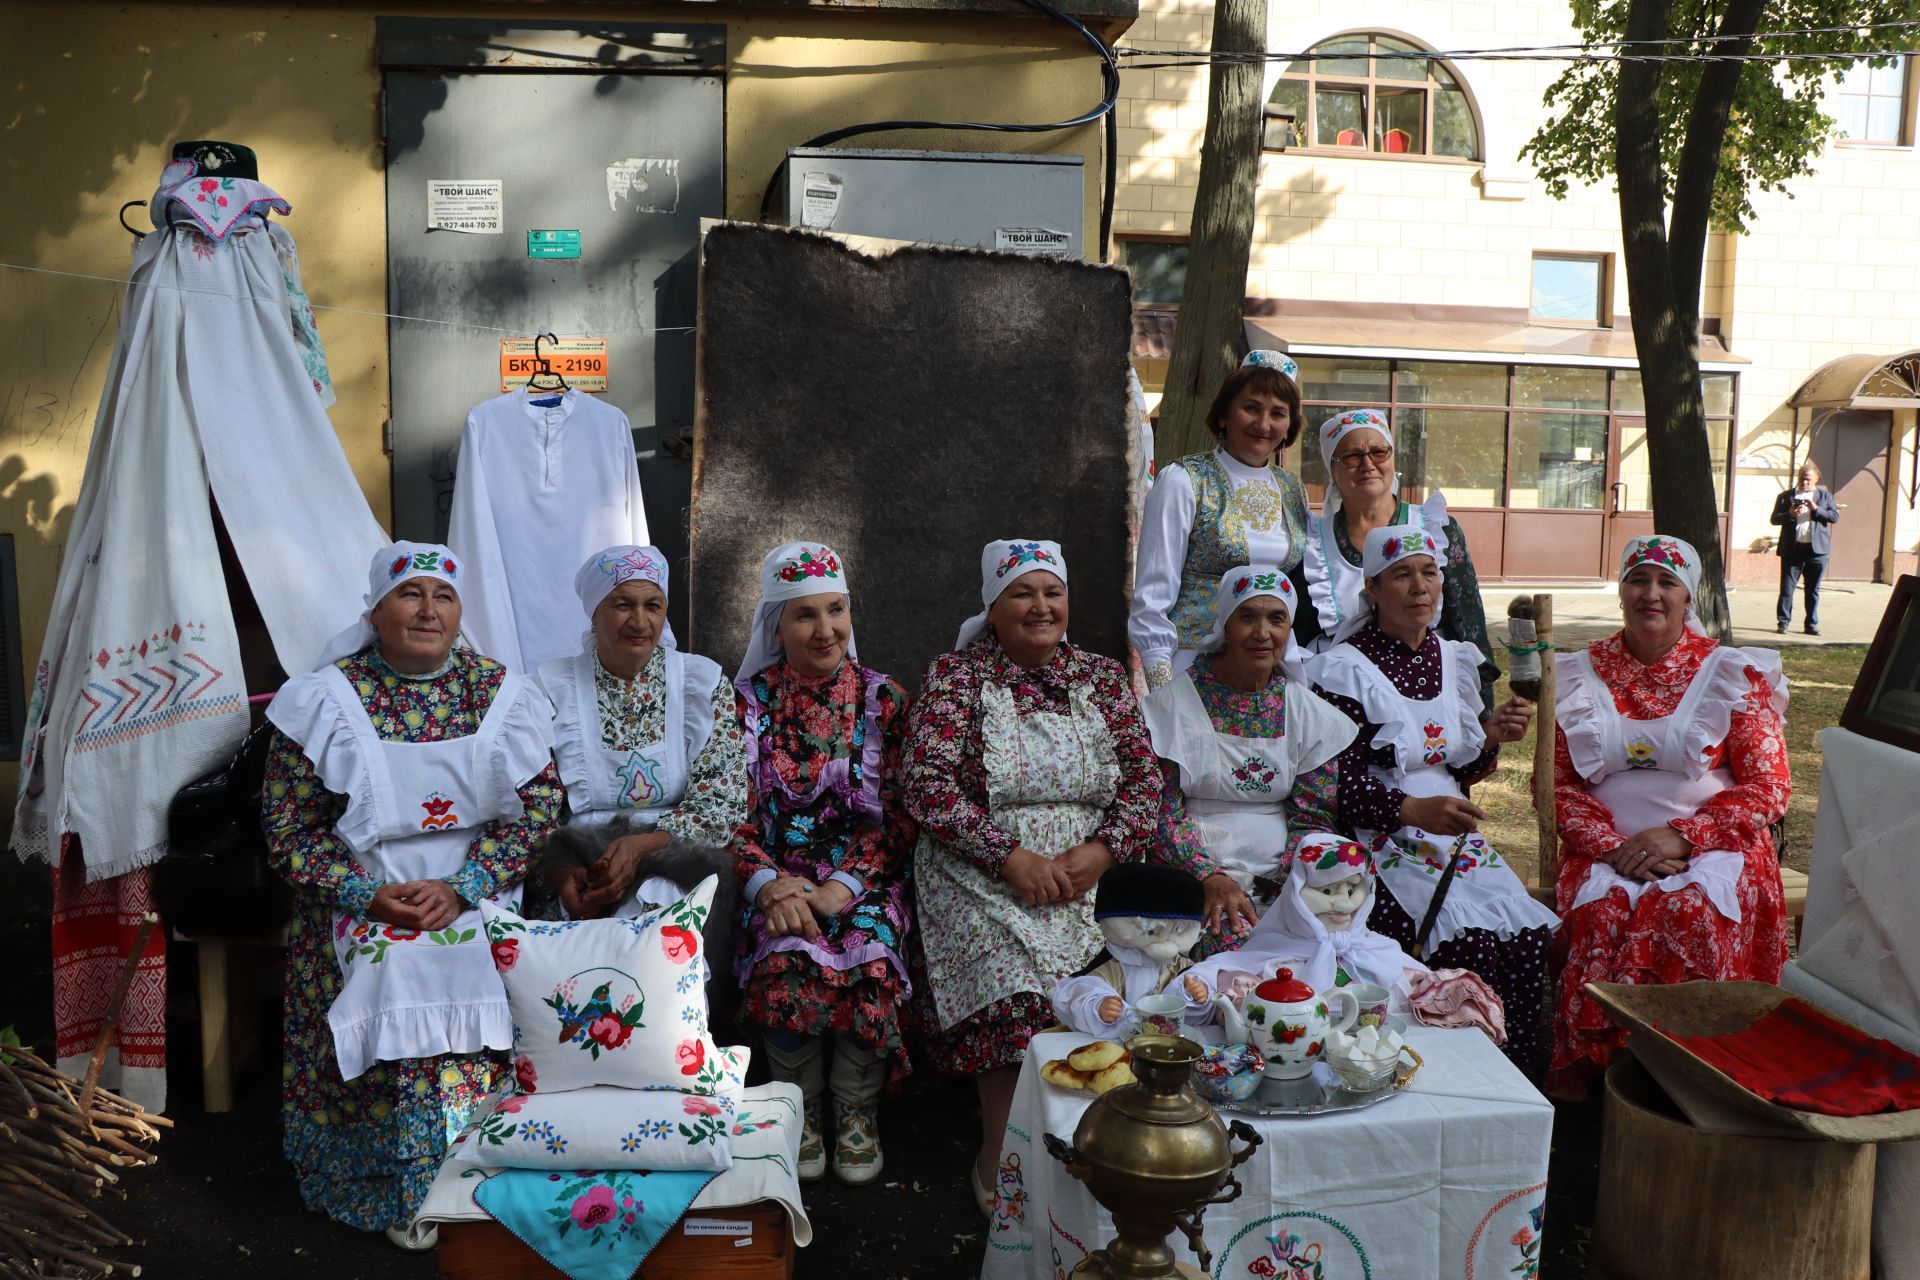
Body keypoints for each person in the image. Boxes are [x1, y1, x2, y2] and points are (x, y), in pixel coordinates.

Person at [261, 542, 562, 1245]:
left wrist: (467, 886)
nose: (429, 610)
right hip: (367, 892)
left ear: (461, 614)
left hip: (474, 882)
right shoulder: (324, 699)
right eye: (410, 594)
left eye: (445, 596)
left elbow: (541, 811)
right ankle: (403, 1176)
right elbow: (287, 829)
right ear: (374, 610)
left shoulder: (502, 694)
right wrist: (362, 895)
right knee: (396, 965)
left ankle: (486, 1166)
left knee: (480, 958)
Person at [904, 538, 1161, 1215]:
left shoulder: (1103, 679)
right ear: (993, 606)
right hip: (982, 873)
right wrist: (1009, 857)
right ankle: (1006, 1156)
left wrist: (1103, 850)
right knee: (1017, 995)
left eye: (1053, 592)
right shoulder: (956, 678)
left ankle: (1110, 1140)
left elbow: (1144, 784)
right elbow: (926, 786)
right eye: (1023, 593)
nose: (1041, 606)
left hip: (1089, 874)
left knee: (1140, 988)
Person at [1546, 534, 1791, 1098]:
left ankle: (1691, 1079)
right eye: (1638, 579)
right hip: (1607, 848)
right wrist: (1611, 847)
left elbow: (1768, 786)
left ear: (1688, 595)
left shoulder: (1733, 672)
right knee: (1603, 910)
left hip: (1716, 846)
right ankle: (1605, 1083)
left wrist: (1685, 837)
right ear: (1621, 590)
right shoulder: (1579, 673)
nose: (1650, 593)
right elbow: (1559, 787)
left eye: (1666, 582)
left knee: (1688, 908)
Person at [1311, 524, 1559, 1077]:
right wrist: (1410, 811)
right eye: (1402, 575)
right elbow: (1332, 783)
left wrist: (1492, 736)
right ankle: (1448, 1078)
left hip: (1453, 832)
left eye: (1429, 573)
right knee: (1468, 945)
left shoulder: (1454, 658)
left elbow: (1459, 763)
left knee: (1524, 938)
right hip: (1380, 835)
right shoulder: (1342, 669)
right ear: (1372, 589)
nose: (1420, 586)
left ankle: (1512, 1081)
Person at [730, 541, 915, 1188]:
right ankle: (799, 1109)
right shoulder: (744, 704)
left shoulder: (883, 699)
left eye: (836, 610)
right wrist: (769, 885)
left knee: (870, 953)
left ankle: (855, 1109)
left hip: (865, 874)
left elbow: (899, 813)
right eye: (804, 614)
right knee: (784, 957)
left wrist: (841, 888)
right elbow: (727, 814)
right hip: (776, 878)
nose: (825, 629)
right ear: (775, 626)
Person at [1141, 566, 1357, 957]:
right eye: (1247, 617)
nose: (1262, 633)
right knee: (1238, 955)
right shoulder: (1172, 706)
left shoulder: (1309, 714)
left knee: (1331, 951)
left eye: (1276, 619)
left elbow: (1312, 816)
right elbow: (1161, 814)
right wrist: (1210, 876)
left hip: (1285, 876)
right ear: (1225, 625)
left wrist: (1293, 880)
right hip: (1195, 874)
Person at [531, 545, 747, 919]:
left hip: (678, 860)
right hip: (579, 864)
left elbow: (722, 805)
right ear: (594, 614)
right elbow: (534, 808)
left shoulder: (701, 684)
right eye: (622, 604)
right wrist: (563, 873)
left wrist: (642, 846)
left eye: (653, 605)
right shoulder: (550, 689)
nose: (640, 621)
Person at [1291, 406, 1500, 712]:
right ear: (1332, 469)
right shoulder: (1313, 542)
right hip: (1341, 703)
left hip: (1427, 694)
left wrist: (1483, 720)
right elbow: (1300, 638)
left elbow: (1469, 627)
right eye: (1351, 456)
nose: (1367, 465)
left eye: (1379, 452)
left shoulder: (1434, 527)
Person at [1131, 351, 1313, 691]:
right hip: (1194, 664)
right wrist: (1162, 685)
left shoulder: (1293, 489)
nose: (1263, 424)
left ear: (1290, 425)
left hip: (1269, 667)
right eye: (1251, 408)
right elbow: (1152, 596)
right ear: (1225, 414)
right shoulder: (1184, 480)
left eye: (1278, 413)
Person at [1771, 461, 1838, 636]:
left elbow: (1834, 516)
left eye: (1808, 479)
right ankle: (1783, 623)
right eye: (1802, 479)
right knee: (1787, 589)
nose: (1804, 482)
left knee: (1813, 590)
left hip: (1816, 551)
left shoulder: (1824, 497)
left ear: (1816, 479)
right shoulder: (1786, 496)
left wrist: (1816, 509)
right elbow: (1774, 519)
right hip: (1793, 550)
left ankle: (1811, 624)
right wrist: (1789, 515)